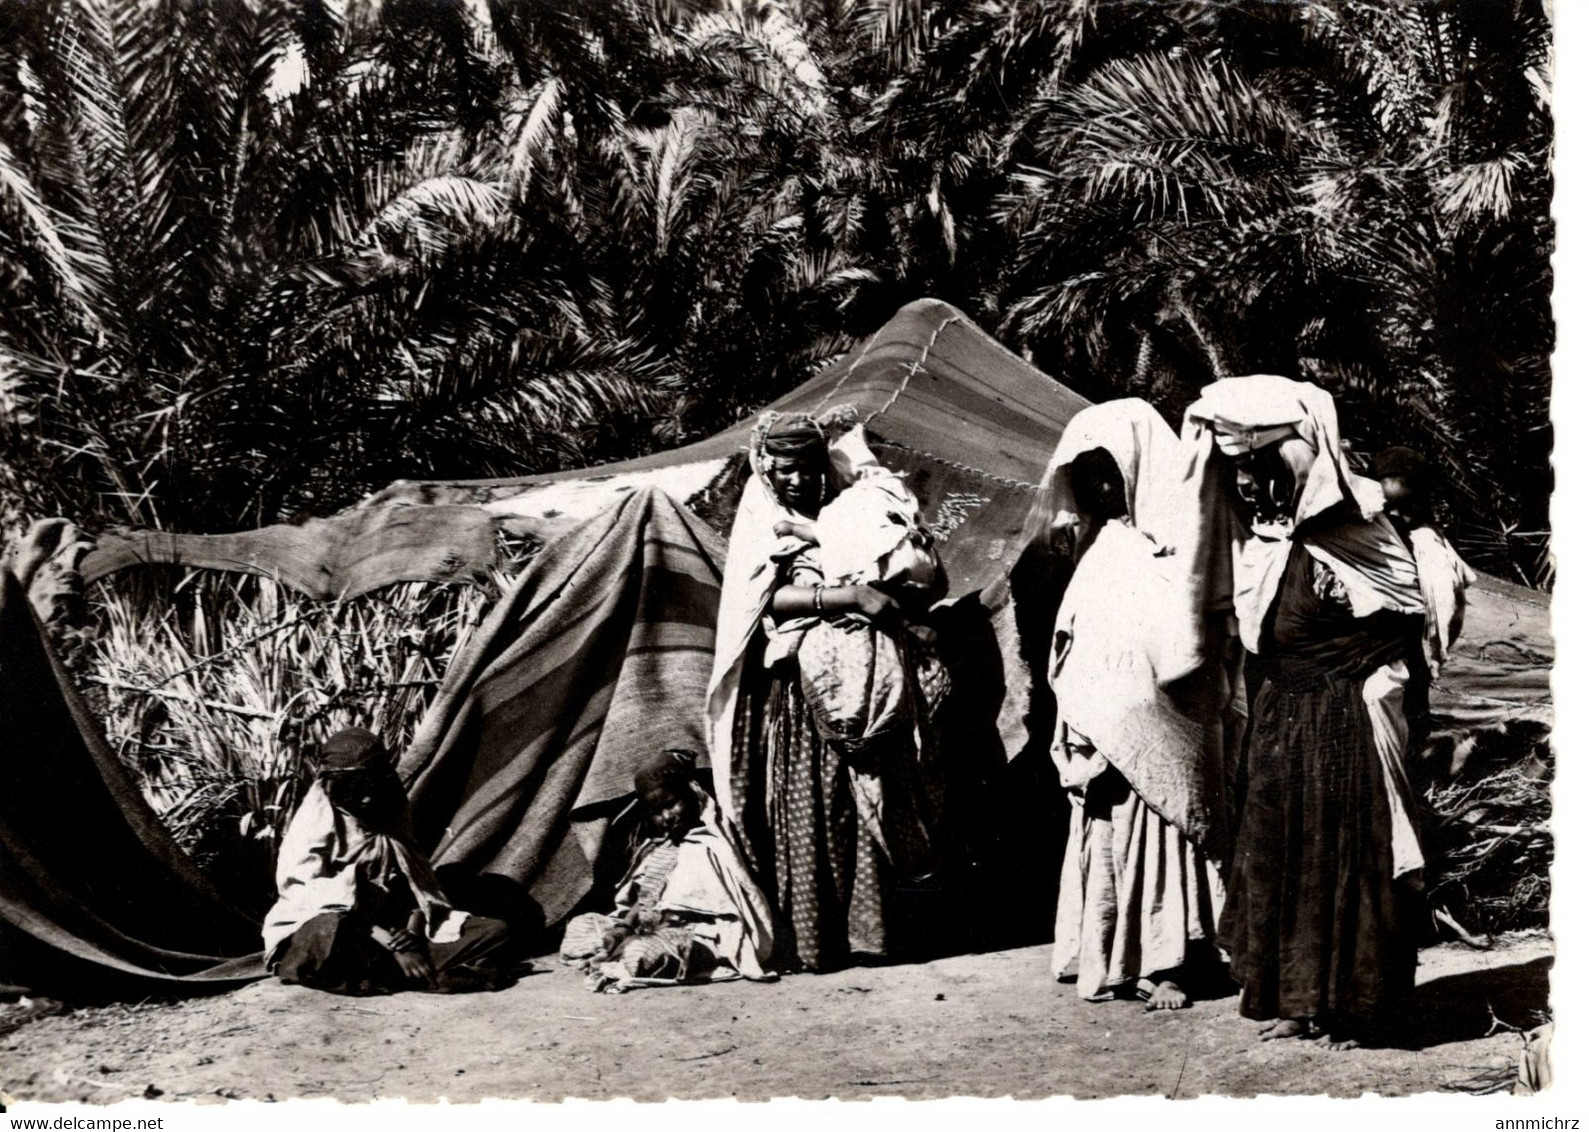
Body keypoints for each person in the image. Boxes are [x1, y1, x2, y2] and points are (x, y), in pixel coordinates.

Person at [1186, 376, 1427, 1049]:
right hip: (1281, 714)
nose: (1254, 484)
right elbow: (1256, 627)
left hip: (1342, 716)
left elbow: (1404, 617)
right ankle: (1293, 999)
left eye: (1265, 464)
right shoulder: (1266, 532)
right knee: (1280, 853)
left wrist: (1346, 630)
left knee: (1345, 854)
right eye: (1244, 471)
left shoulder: (1359, 527)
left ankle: (1354, 1007)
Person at [705, 411, 947, 972]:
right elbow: (764, 600)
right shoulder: (764, 516)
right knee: (819, 802)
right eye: (784, 469)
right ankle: (820, 939)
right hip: (805, 691)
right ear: (765, 467)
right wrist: (845, 599)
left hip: (871, 684)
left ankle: (879, 934)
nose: (795, 480)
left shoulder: (854, 503)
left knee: (875, 799)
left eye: (806, 466)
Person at [1032, 399, 1231, 1012]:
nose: (1098, 486)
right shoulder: (1100, 549)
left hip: (1168, 722)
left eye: (1109, 471)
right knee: (1111, 831)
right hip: (1106, 728)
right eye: (1088, 474)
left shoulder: (1183, 543)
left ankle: (1170, 963)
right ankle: (1112, 953)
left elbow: (1200, 635)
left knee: (1169, 831)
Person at [263, 728, 515, 995]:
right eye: (354, 790)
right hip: (344, 930)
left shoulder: (391, 809)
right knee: (324, 936)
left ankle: (397, 976)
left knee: (496, 931)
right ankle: (426, 974)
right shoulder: (312, 827)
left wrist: (412, 934)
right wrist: (397, 946)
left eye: (372, 786)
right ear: (330, 784)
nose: (367, 798)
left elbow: (416, 886)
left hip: (390, 925)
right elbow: (319, 905)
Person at [560, 749, 778, 993]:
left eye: (670, 804)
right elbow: (645, 901)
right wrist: (622, 930)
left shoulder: (709, 846)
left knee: (638, 954)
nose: (665, 817)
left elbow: (711, 911)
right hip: (648, 929)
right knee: (579, 927)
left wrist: (638, 938)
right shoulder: (662, 848)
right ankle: (635, 950)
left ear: (693, 793)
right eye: (655, 811)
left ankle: (691, 958)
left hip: (700, 935)